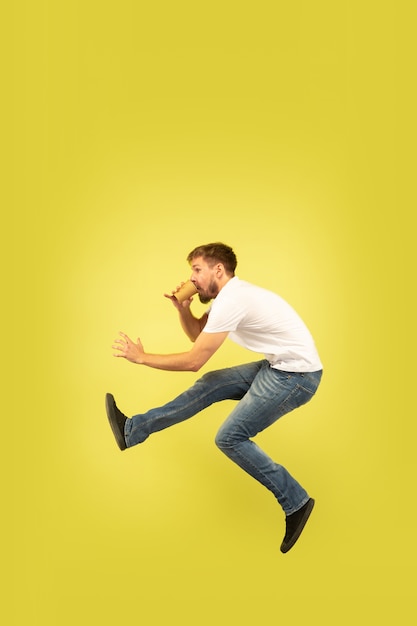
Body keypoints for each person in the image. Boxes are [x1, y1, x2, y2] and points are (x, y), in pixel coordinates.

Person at [106, 242, 323, 553]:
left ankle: (296, 501)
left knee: (230, 437)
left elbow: (194, 360)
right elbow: (198, 335)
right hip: (278, 367)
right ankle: (133, 430)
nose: (192, 279)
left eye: (197, 270)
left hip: (296, 378)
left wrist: (142, 357)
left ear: (218, 270)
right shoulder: (227, 299)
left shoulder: (233, 300)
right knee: (210, 384)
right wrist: (184, 309)